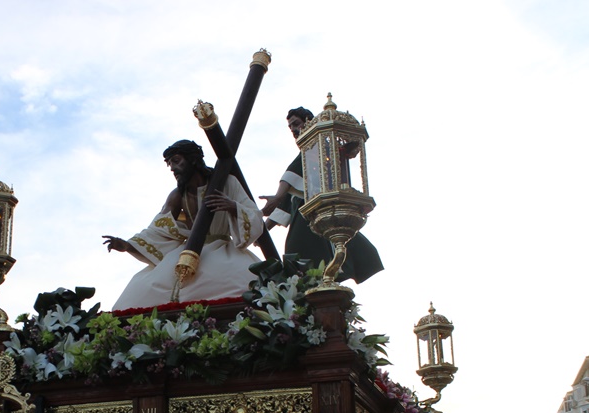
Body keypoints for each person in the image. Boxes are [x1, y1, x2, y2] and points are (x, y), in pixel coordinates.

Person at [105, 140, 264, 310]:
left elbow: (254, 214)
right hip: (186, 251)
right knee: (141, 291)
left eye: (176, 161)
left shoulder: (226, 182)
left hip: (221, 249)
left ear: (193, 159)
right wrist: (128, 245)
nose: (172, 168)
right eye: (169, 164)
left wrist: (233, 207)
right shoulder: (177, 195)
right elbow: (158, 228)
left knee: (244, 282)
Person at [258, 106, 383, 283]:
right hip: (302, 220)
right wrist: (262, 229)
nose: (294, 129)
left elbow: (290, 178)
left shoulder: (317, 150)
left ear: (308, 124)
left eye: (296, 124)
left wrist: (278, 196)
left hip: (316, 219)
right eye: (290, 127)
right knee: (301, 264)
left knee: (313, 260)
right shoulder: (303, 165)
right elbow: (287, 203)